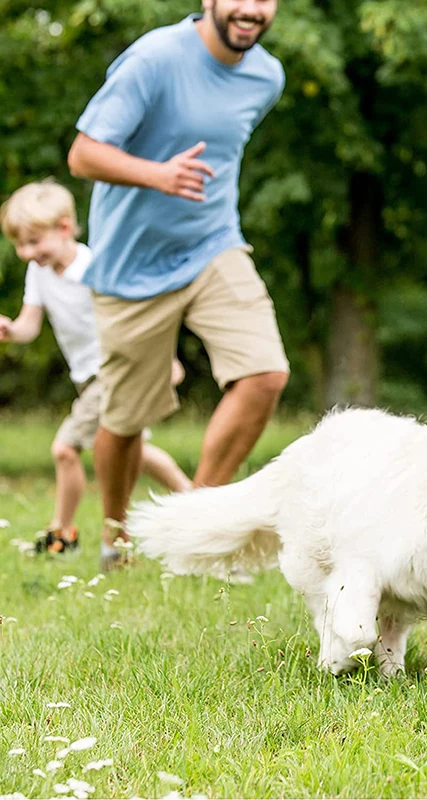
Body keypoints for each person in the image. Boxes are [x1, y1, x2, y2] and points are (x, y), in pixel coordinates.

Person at [67, 0, 290, 570]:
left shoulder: (266, 77)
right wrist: (158, 174)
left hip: (213, 244)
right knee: (124, 422)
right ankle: (115, 541)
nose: (251, 10)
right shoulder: (155, 60)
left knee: (265, 374)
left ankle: (193, 528)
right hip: (130, 265)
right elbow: (83, 154)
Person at [0, 180, 192, 555]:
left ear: (64, 228)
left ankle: (63, 533)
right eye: (20, 244)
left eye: (34, 242)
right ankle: (197, 500)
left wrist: (163, 360)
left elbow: (135, 316)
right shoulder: (39, 273)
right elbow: (29, 325)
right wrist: (10, 330)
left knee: (65, 449)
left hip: (114, 370)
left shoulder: (94, 266)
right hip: (86, 379)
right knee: (134, 449)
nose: (26, 253)